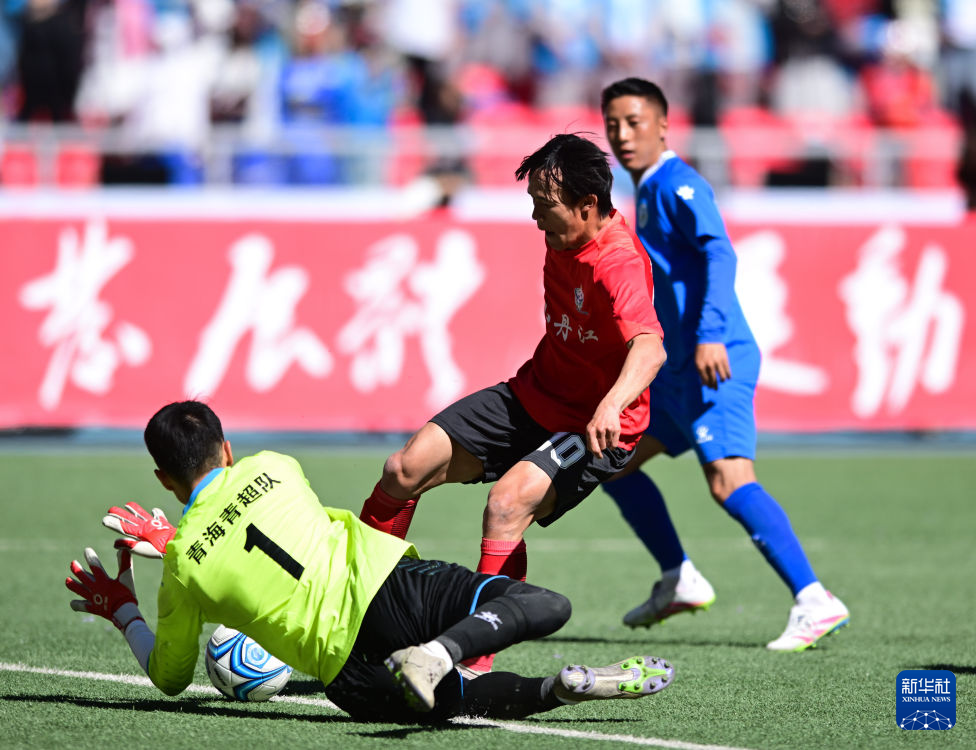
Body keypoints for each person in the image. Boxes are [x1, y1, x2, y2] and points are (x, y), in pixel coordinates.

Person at [64, 400, 675, 723]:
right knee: (544, 605)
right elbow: (244, 517)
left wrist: (125, 611)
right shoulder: (274, 466)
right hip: (388, 587)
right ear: (227, 448)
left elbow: (170, 678)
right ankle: (441, 652)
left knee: (469, 700)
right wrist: (178, 534)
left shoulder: (183, 566)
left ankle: (555, 690)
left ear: (162, 478)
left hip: (347, 675)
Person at [356, 133, 667, 673]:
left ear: (587, 205)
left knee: (506, 504)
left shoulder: (617, 262)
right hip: (532, 395)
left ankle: (472, 660)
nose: (535, 217)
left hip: (590, 426)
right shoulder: (563, 234)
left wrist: (611, 404)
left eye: (544, 205)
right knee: (404, 468)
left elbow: (650, 346)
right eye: (532, 203)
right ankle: (356, 604)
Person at [600, 77, 849, 652]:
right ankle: (679, 578)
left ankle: (815, 600)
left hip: (715, 361)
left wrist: (711, 333)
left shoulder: (679, 184)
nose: (623, 134)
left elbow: (720, 250)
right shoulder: (646, 190)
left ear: (664, 125)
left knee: (729, 480)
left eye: (635, 122)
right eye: (613, 125)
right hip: (677, 374)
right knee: (613, 463)